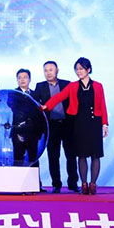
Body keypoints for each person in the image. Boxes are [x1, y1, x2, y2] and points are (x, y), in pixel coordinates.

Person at [41, 58, 108, 195]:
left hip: (95, 123)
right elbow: (59, 96)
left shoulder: (98, 86)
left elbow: (102, 104)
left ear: (88, 69)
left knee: (95, 155)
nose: (79, 71)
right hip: (79, 123)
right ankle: (83, 184)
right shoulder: (73, 86)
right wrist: (46, 106)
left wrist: (105, 123)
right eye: (77, 69)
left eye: (81, 69)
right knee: (81, 155)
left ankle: (93, 184)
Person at [32, 61, 79, 193]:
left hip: (67, 124)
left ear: (57, 70)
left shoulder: (67, 84)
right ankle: (56, 184)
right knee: (53, 156)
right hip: (51, 126)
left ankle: (73, 184)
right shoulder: (40, 86)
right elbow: (35, 105)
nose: (48, 73)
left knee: (71, 155)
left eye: (51, 70)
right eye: (46, 70)